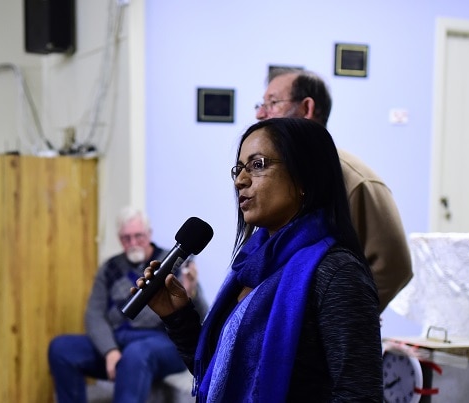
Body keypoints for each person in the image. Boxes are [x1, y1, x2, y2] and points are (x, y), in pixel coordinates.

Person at [134, 118, 383, 402]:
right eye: (239, 168)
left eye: (258, 164)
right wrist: (177, 316)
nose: (240, 180)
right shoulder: (250, 267)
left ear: (303, 177)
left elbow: (359, 395)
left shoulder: (337, 273)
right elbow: (221, 377)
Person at [255, 67, 412, 312]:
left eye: (273, 103)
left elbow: (394, 266)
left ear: (307, 108)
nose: (260, 114)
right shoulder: (274, 176)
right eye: (260, 104)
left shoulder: (354, 179)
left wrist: (347, 315)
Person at [48, 206, 209, 403]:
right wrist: (110, 350)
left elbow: (200, 318)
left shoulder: (175, 262)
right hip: (118, 339)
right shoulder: (109, 268)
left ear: (149, 234)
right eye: (126, 238)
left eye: (138, 236)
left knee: (136, 353)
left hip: (160, 343)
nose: (133, 243)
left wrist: (192, 291)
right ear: (119, 239)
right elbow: (94, 315)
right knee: (61, 348)